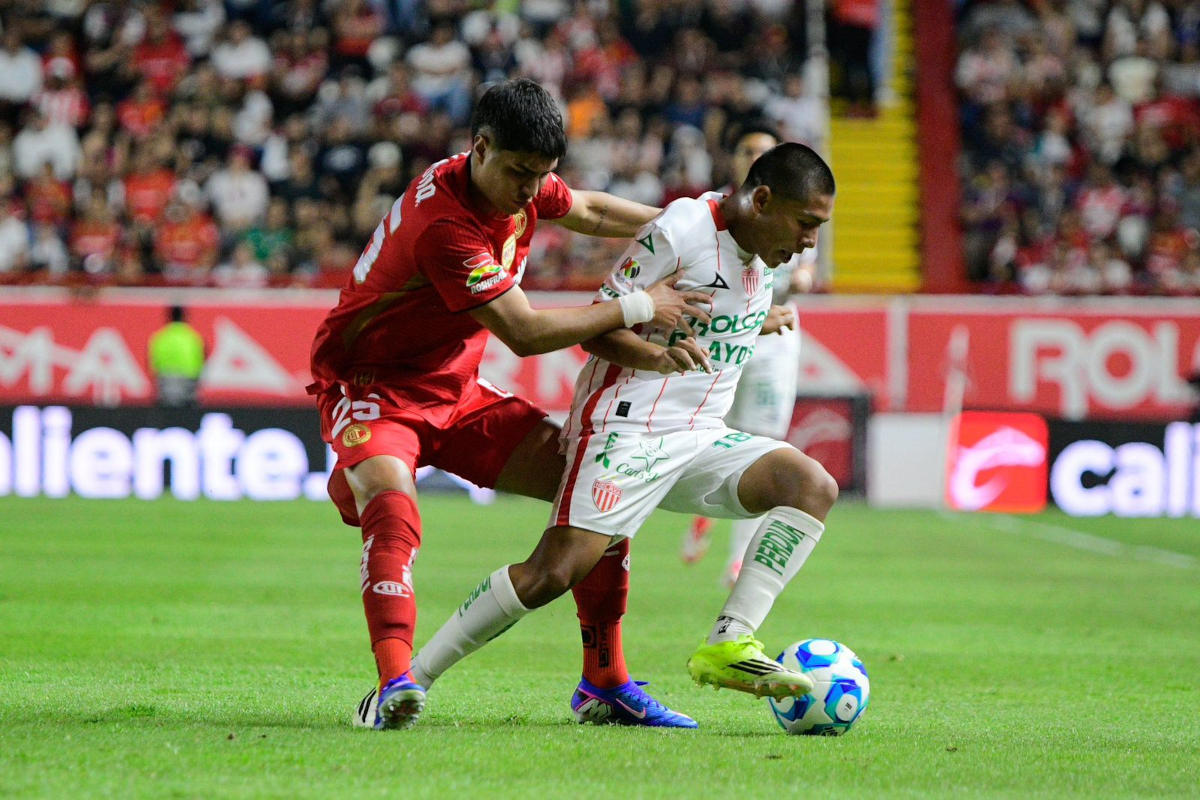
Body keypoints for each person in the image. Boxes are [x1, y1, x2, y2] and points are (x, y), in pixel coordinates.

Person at [307, 79, 712, 731]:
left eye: (541, 175)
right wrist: (639, 306)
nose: (532, 191)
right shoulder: (442, 225)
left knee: (596, 490)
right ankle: (392, 686)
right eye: (521, 173)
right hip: (373, 389)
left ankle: (604, 682)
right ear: (481, 147)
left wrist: (690, 231)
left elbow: (591, 211)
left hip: (455, 389)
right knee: (394, 508)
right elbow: (523, 333)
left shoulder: (516, 181)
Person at [409, 143, 838, 723]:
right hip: (626, 427)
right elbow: (600, 329)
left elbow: (711, 309)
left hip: (700, 435)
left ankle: (730, 643)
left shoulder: (767, 252)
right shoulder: (683, 229)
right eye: (806, 223)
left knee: (809, 484)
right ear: (761, 200)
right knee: (551, 574)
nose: (810, 240)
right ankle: (412, 678)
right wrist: (655, 358)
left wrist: (756, 322)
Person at [681, 123, 820, 588]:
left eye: (766, 150)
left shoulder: (795, 212)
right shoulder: (713, 211)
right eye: (748, 150)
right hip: (723, 337)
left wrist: (804, 281)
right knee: (712, 431)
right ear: (737, 159)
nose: (756, 155)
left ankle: (739, 558)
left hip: (774, 344)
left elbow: (806, 267)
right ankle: (703, 510)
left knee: (763, 445)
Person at [148, 305, 205, 407]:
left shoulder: (159, 339)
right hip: (188, 389)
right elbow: (201, 364)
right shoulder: (193, 338)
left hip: (165, 389)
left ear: (169, 317)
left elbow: (153, 366)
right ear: (184, 317)